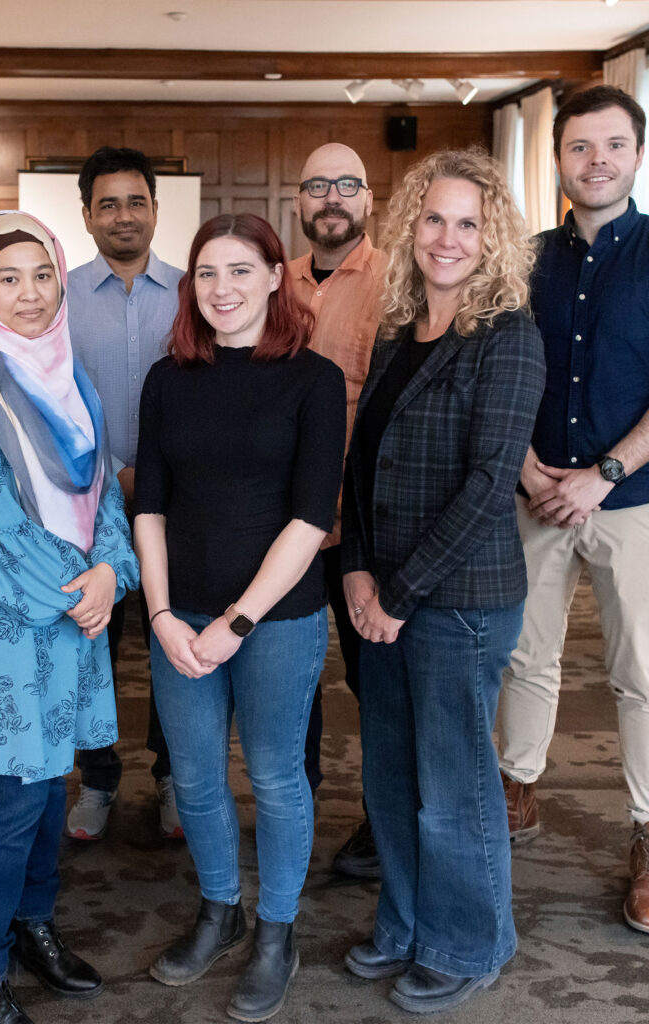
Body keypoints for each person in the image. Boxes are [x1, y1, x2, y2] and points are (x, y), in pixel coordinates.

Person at [0, 210, 139, 1024]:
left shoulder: (68, 373)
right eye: (8, 278)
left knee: (50, 791)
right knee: (9, 801)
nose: (32, 294)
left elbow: (104, 488)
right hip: (1, 619)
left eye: (43, 274)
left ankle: (28, 926)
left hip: (72, 609)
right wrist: (83, 594)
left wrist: (113, 570)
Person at [340, 149, 545, 1014]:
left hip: (457, 605)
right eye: (433, 219)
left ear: (492, 236)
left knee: (453, 789)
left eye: (468, 222)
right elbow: (362, 463)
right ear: (409, 228)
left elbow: (488, 486)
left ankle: (469, 941)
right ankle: (408, 923)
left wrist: (397, 593)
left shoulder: (510, 337)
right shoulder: (395, 331)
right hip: (378, 594)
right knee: (389, 777)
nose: (448, 238)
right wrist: (353, 568)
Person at [135, 213, 345, 1022]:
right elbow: (147, 504)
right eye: (207, 274)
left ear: (272, 277)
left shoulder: (312, 380)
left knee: (274, 778)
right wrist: (158, 613)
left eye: (239, 271)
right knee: (192, 776)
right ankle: (220, 911)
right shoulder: (168, 379)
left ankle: (276, 931)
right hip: (178, 615)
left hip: (277, 619)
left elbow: (308, 519)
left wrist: (238, 621)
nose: (222, 289)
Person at [497, 85, 649, 933]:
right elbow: (502, 372)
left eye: (613, 145)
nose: (597, 161)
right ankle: (517, 788)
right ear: (557, 159)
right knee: (526, 656)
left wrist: (606, 471)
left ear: (636, 153)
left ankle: (648, 831)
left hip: (634, 500)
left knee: (643, 676)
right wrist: (524, 466)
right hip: (536, 493)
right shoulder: (526, 261)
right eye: (580, 147)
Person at [67, 145, 184, 840]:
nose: (123, 216)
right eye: (107, 203)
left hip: (180, 503)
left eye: (135, 201)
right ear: (86, 216)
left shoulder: (193, 290)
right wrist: (116, 470)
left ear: (155, 210)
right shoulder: (59, 295)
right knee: (93, 647)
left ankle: (174, 777)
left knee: (175, 643)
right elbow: (56, 398)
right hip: (89, 503)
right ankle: (98, 780)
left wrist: (159, 476)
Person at [288, 142, 387, 878]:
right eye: (317, 185)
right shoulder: (269, 282)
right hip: (285, 526)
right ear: (299, 201)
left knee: (374, 680)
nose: (331, 197)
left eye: (346, 185)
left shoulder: (399, 283)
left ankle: (386, 822)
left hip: (365, 529)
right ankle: (297, 808)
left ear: (367, 200)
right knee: (290, 681)